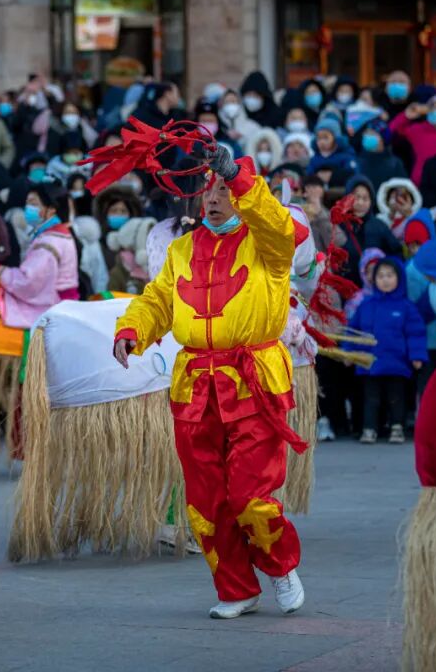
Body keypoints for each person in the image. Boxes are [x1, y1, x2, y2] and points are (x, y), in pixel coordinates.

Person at [113, 148, 307, 620]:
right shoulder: (181, 250)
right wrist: (132, 329)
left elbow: (279, 226)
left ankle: (280, 566)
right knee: (206, 501)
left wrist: (237, 176)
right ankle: (237, 588)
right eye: (209, 190)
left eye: (225, 190)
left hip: (252, 383)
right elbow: (158, 299)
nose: (215, 199)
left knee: (250, 497)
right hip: (195, 388)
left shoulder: (268, 245)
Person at [345, 258, 427, 444]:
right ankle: (369, 429)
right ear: (374, 279)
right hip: (369, 362)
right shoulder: (366, 304)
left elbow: (415, 333)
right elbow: (353, 331)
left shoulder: (406, 307)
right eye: (381, 276)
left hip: (396, 362)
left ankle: (397, 427)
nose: (385, 280)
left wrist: (416, 355)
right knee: (371, 398)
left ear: (399, 278)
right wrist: (348, 352)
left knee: (396, 397)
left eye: (390, 275)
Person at [0, 183, 78, 329]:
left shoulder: (49, 242)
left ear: (51, 210)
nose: (28, 208)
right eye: (27, 203)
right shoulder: (57, 235)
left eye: (34, 204)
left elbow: (27, 282)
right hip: (62, 303)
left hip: (51, 308)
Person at [338, 175, 402, 285]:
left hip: (376, 288)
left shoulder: (379, 226)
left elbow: (396, 253)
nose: (360, 203)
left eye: (365, 198)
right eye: (356, 197)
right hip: (345, 288)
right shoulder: (338, 226)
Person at [355, 119, 407, 190]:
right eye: (366, 134)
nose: (367, 137)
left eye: (372, 134)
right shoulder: (358, 161)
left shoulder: (395, 164)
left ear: (382, 139)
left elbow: (402, 188)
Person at [376, 178, 423, 242]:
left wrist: (408, 214)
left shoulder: (419, 217)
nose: (399, 201)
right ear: (387, 200)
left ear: (411, 201)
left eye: (404, 197)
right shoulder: (380, 219)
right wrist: (390, 216)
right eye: (394, 197)